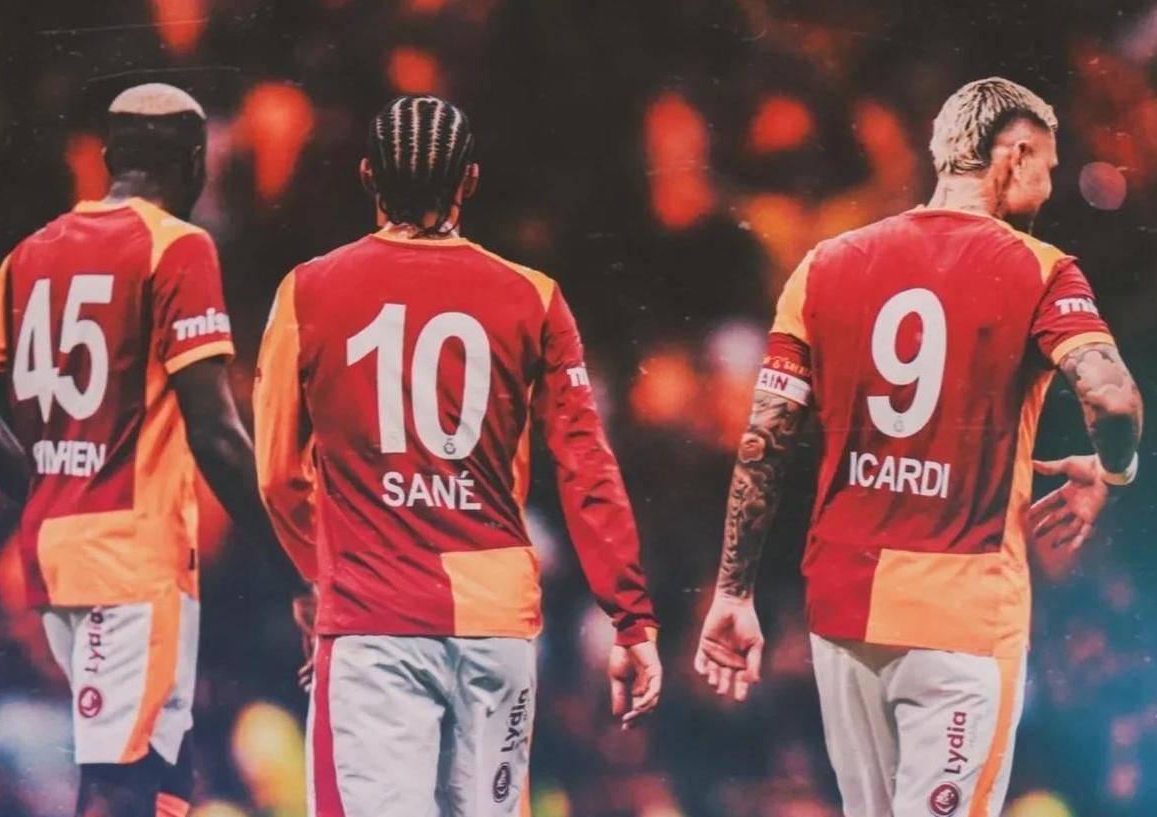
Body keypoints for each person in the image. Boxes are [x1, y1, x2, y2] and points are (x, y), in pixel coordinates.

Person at [694, 77, 1143, 816]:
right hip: (962, 614)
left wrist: (733, 591)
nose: (1049, 186)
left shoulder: (823, 264)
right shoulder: (1039, 268)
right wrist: (1113, 470)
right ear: (1015, 154)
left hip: (844, 613)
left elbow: (765, 441)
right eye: (1048, 166)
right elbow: (1113, 397)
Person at [254, 94, 662, 817]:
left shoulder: (307, 291)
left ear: (367, 176)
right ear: (470, 180)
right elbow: (586, 468)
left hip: (373, 617)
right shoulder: (534, 297)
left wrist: (321, 572)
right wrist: (631, 618)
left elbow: (279, 475)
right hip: (494, 623)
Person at [0, 83, 279, 817]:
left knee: (164, 767)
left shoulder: (30, 253)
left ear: (108, 158)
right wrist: (295, 552)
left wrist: (43, 490)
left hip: (60, 549)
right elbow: (217, 432)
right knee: (117, 780)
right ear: (195, 164)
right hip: (131, 561)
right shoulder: (177, 246)